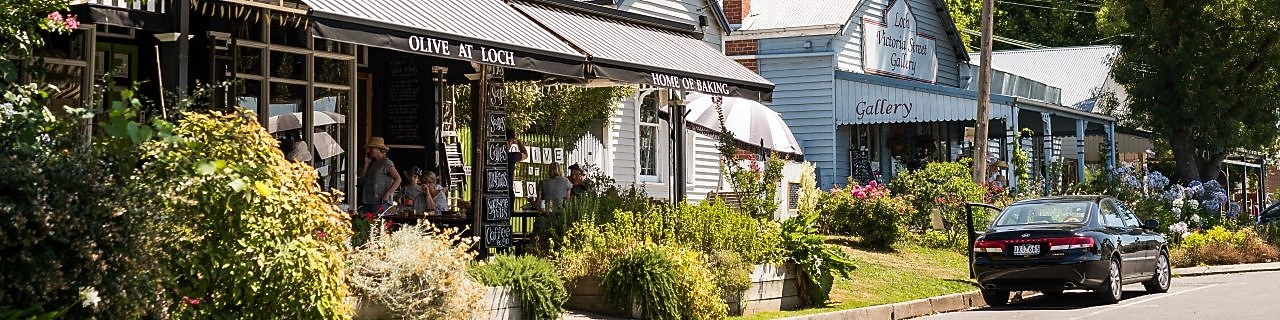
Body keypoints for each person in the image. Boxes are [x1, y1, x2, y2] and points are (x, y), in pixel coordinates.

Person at [359, 137, 401, 216]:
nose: (369, 150)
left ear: (379, 150)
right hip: (367, 201)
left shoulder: (386, 162)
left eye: (372, 148)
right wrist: (366, 163)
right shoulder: (372, 163)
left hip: (380, 202)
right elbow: (362, 180)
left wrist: (387, 194)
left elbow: (398, 179)